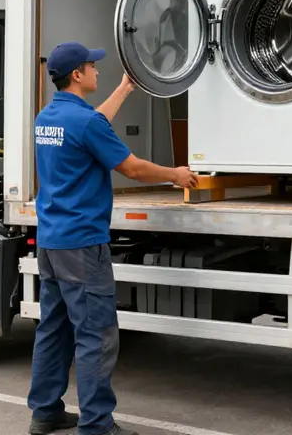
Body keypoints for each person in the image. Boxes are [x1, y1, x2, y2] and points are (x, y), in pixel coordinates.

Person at [27, 41, 199, 435]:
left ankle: (45, 412)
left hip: (52, 242)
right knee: (95, 334)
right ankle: (97, 424)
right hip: (82, 245)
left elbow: (93, 126)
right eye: (92, 65)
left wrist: (124, 89)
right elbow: (133, 170)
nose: (97, 71)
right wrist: (175, 175)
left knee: (53, 329)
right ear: (77, 75)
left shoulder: (48, 118)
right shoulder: (85, 123)